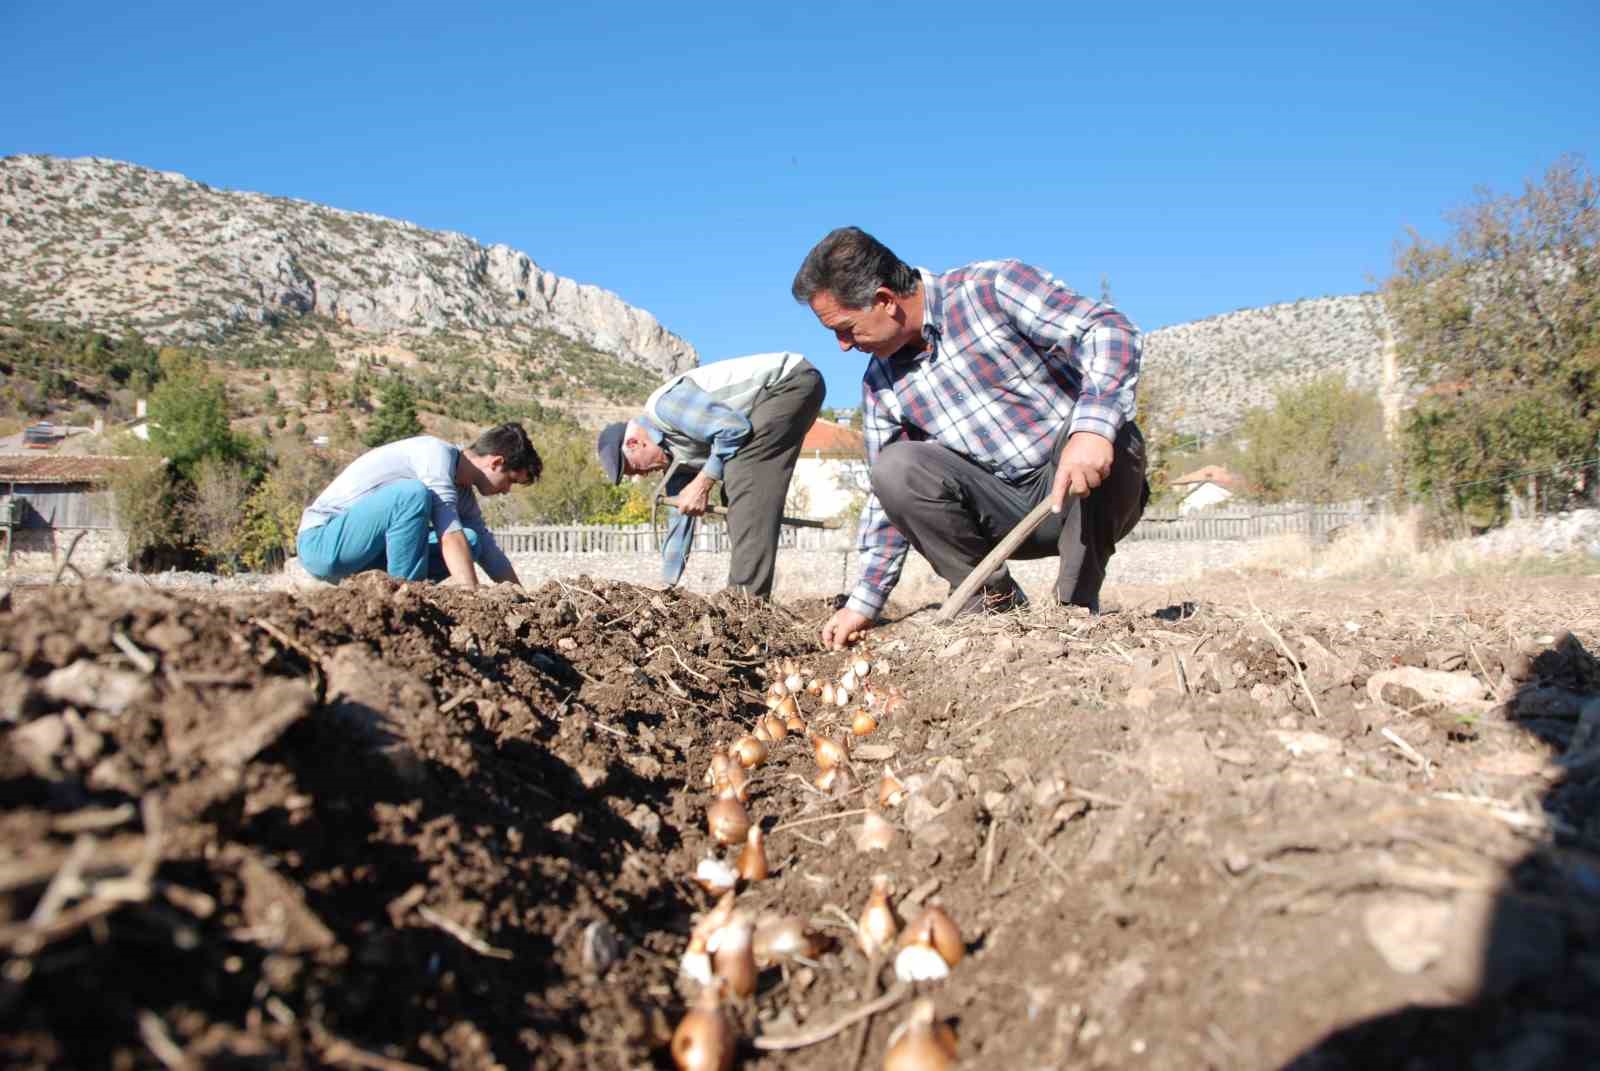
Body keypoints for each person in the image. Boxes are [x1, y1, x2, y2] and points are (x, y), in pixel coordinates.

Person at [792, 227, 1149, 649]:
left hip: (1083, 488)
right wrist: (863, 603)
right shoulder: (881, 385)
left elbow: (1108, 330)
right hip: (1001, 515)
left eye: (847, 329)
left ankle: (1074, 608)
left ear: (885, 301)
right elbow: (884, 504)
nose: (843, 346)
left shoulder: (992, 289)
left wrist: (1091, 430)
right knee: (894, 468)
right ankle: (994, 607)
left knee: (1108, 424)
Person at [595, 352, 825, 598]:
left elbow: (733, 429)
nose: (641, 475)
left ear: (633, 443)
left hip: (788, 382)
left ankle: (746, 602)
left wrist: (702, 483)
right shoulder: (675, 459)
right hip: (777, 395)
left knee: (742, 474)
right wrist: (666, 586)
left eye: (635, 468)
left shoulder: (666, 406)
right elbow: (680, 519)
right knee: (737, 486)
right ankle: (746, 596)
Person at [297, 422, 541, 589]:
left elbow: (490, 553)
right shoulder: (435, 455)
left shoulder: (463, 491)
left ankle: (394, 591)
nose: (506, 490)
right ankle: (408, 598)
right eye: (510, 480)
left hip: (366, 560)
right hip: (323, 543)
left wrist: (525, 603)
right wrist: (472, 593)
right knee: (412, 494)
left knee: (473, 539)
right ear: (497, 462)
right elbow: (449, 536)